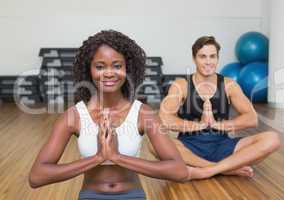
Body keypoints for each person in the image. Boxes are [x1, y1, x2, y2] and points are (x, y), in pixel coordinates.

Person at [29, 30, 188, 200]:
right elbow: (37, 176)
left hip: (132, 196)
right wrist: (97, 158)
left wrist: (117, 157)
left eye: (117, 65)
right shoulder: (74, 116)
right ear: (88, 70)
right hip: (91, 196)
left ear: (128, 69)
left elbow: (179, 171)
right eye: (100, 66)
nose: (109, 73)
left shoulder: (143, 114)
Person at [150, 36, 281, 179]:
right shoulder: (181, 85)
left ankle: (208, 170)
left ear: (217, 58)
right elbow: (165, 119)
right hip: (189, 147)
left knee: (272, 139)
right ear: (194, 59)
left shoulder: (229, 85)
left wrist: (217, 125)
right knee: (154, 144)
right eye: (202, 56)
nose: (208, 61)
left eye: (212, 56)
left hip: (223, 145)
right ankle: (220, 168)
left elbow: (252, 118)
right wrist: (199, 125)